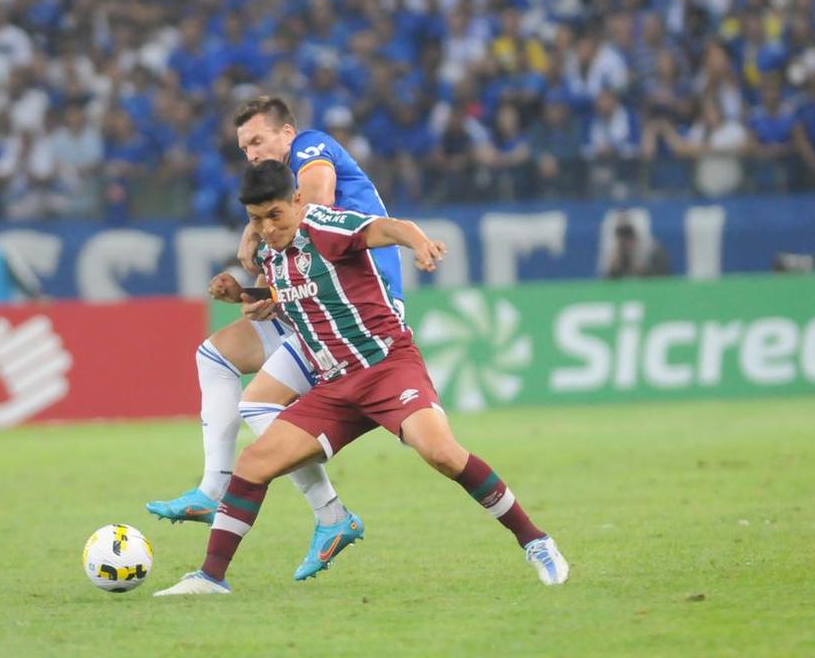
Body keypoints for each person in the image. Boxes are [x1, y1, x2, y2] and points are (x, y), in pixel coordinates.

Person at [154, 160, 568, 595]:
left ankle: (535, 540)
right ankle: (211, 578)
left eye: (275, 215)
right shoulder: (269, 252)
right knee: (254, 464)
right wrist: (240, 294)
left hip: (387, 367)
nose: (268, 228)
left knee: (441, 452)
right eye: (257, 220)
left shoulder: (326, 228)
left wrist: (420, 243)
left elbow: (390, 228)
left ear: (297, 200)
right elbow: (292, 295)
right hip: (334, 386)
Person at [146, 94, 404, 582]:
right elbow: (301, 265)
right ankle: (212, 489)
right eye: (244, 147)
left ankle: (330, 515)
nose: (252, 153)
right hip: (318, 304)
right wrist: (257, 292)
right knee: (215, 355)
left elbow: (320, 212)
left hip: (358, 314)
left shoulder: (311, 150)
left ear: (286, 134)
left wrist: (252, 231)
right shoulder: (275, 204)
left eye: (259, 140)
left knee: (258, 405)